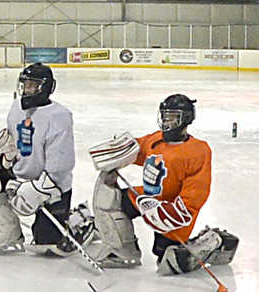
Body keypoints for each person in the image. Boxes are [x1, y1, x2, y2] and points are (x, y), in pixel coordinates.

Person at [87, 94, 237, 273]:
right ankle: (123, 252)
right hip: (148, 199)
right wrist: (118, 153)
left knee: (168, 262)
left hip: (171, 210)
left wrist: (170, 213)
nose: (167, 122)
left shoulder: (198, 151)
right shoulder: (155, 140)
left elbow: (196, 195)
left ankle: (212, 242)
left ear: (186, 119)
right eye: (165, 116)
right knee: (109, 199)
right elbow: (137, 149)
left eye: (173, 117)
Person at [0, 63, 86, 256]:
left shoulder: (59, 116)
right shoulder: (16, 107)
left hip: (50, 185)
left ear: (46, 87)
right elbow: (12, 140)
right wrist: (1, 160)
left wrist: (41, 188)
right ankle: (8, 230)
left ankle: (77, 221)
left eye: (33, 85)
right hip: (18, 176)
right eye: (25, 84)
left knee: (47, 244)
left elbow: (61, 163)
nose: (27, 90)